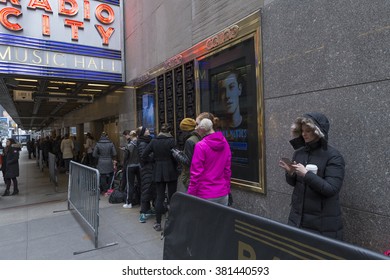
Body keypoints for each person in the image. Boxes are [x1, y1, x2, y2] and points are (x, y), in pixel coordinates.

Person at [278, 112, 345, 240]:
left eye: (308, 130)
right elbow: (294, 183)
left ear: (318, 131)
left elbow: (332, 189)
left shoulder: (333, 156)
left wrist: (306, 174)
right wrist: (290, 172)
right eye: (302, 130)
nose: (304, 134)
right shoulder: (299, 153)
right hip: (297, 219)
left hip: (322, 224)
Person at [187, 118, 232, 206]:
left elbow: (196, 173)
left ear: (202, 130)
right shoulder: (225, 143)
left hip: (205, 193)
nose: (196, 129)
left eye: (198, 127)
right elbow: (227, 170)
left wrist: (191, 194)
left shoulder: (200, 146)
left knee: (204, 220)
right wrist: (227, 188)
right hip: (222, 193)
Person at [142, 123, 178, 231]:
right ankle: (172, 223)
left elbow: (144, 155)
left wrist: (154, 160)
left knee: (159, 197)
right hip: (171, 170)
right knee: (172, 197)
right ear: (169, 131)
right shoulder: (172, 141)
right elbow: (176, 156)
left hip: (158, 170)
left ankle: (158, 223)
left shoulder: (154, 141)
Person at [171, 117, 201, 190]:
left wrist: (177, 155)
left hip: (190, 176)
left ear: (186, 130)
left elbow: (188, 162)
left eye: (182, 130)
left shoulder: (190, 141)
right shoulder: (198, 138)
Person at [136, 126, 156, 223]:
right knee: (146, 189)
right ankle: (143, 212)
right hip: (146, 169)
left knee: (149, 189)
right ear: (143, 132)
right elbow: (144, 156)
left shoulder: (146, 141)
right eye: (146, 129)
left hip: (148, 169)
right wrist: (154, 156)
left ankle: (147, 209)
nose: (148, 130)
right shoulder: (143, 143)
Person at [121, 130, 141, 209]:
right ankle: (140, 200)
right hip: (139, 166)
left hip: (130, 166)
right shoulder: (140, 144)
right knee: (140, 183)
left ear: (131, 136)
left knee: (130, 184)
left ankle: (129, 202)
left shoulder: (129, 145)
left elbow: (126, 157)